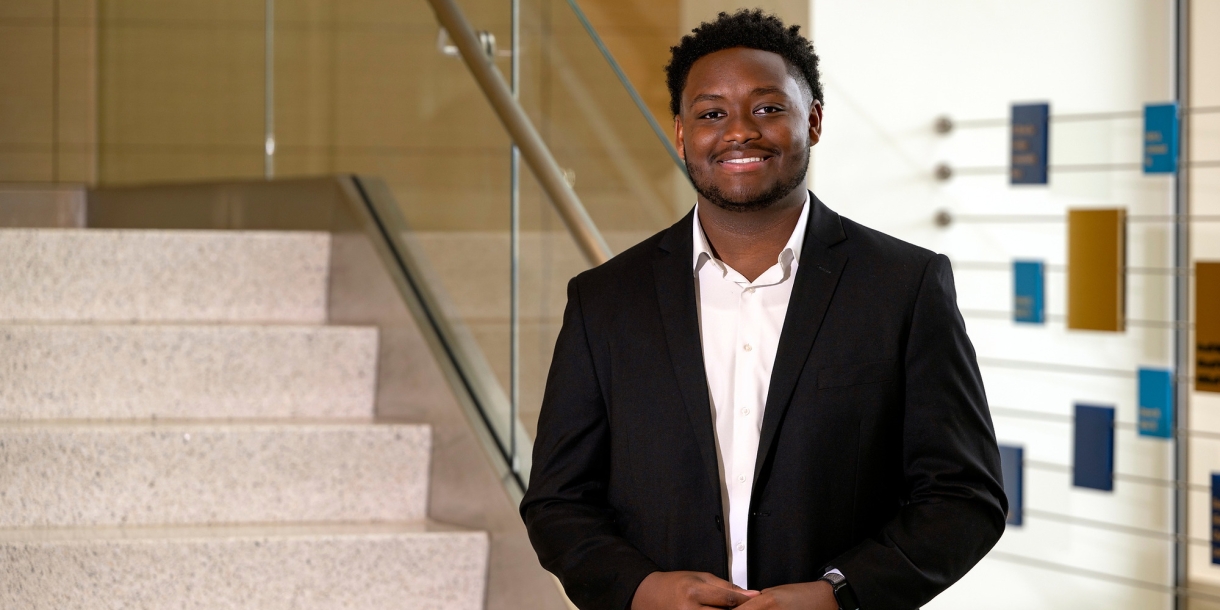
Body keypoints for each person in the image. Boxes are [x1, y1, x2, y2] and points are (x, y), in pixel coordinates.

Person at [520, 9, 1006, 610]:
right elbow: (557, 502)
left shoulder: (904, 286)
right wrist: (640, 589)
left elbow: (964, 498)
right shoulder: (604, 300)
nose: (740, 131)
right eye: (711, 113)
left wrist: (839, 595)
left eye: (768, 108)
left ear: (815, 121)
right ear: (680, 133)